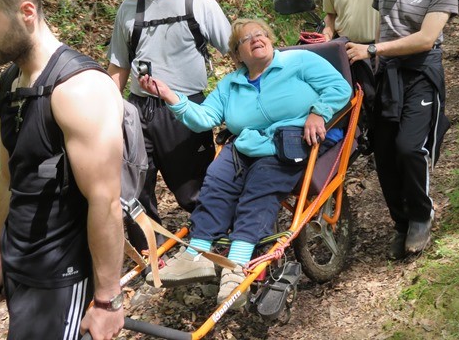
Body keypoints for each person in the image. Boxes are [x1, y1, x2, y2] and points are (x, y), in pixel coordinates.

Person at [138, 18, 352, 308]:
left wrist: (319, 112)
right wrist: (169, 96)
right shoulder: (231, 83)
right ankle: (196, 254)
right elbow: (204, 118)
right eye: (246, 39)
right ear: (237, 54)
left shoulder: (300, 61)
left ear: (270, 38)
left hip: (293, 137)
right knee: (216, 179)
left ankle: (236, 267)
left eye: (260, 33)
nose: (256, 39)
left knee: (260, 186)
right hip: (248, 143)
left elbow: (340, 88)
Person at [0, 0, 125, 339]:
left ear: (26, 12)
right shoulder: (7, 84)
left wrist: (106, 302)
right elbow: (9, 179)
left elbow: (105, 200)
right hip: (20, 265)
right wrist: (0, 259)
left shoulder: (80, 89)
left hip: (61, 278)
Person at [108, 0, 232, 249]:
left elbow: (235, 53)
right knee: (136, 190)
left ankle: (217, 246)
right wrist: (108, 114)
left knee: (194, 189)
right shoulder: (128, 9)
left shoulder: (197, 2)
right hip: (137, 111)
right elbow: (118, 68)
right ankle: (151, 254)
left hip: (184, 109)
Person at [345, 0, 458, 260]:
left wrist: (373, 49)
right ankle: (401, 223)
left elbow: (426, 39)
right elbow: (385, 24)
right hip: (386, 75)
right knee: (384, 153)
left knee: (410, 148)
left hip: (421, 73)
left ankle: (422, 216)